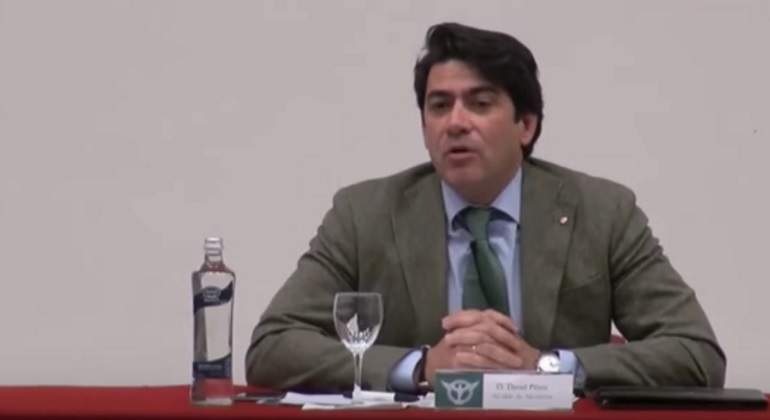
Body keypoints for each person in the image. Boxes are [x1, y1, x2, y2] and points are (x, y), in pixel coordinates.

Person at [245, 22, 725, 394]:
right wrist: (419, 366)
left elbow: (696, 353)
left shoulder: (602, 212)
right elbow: (273, 346)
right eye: (439, 106)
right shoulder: (364, 214)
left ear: (526, 125)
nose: (455, 123)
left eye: (479, 103)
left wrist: (546, 366)